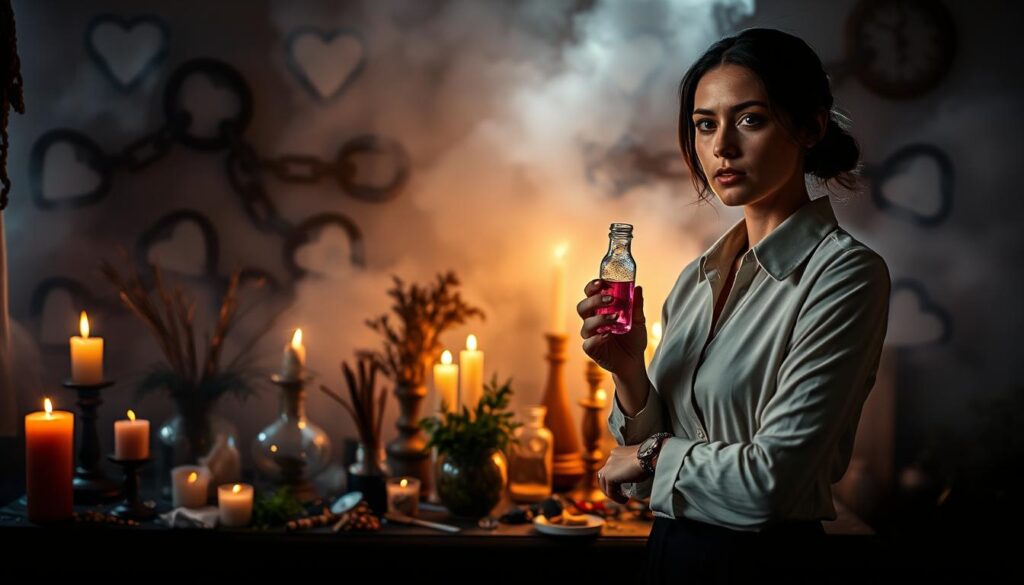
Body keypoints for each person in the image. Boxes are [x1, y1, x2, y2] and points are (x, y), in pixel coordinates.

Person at [577, 28, 891, 584]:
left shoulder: (844, 276)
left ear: (811, 127)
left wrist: (653, 458)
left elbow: (771, 485)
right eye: (705, 124)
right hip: (670, 554)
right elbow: (639, 469)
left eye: (750, 119)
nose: (721, 146)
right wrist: (629, 371)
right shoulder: (694, 280)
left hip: (768, 567)